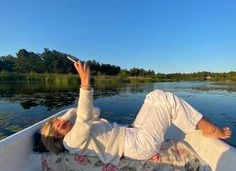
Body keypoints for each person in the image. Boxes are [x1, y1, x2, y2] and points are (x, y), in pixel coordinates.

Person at [40, 60, 232, 164]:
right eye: (56, 126)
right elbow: (84, 117)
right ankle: (210, 128)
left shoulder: (78, 132)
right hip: (138, 145)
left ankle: (195, 125)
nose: (59, 122)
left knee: (155, 95)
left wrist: (67, 116)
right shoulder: (71, 141)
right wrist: (85, 83)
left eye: (57, 120)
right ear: (56, 137)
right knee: (167, 101)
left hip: (132, 133)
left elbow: (92, 112)